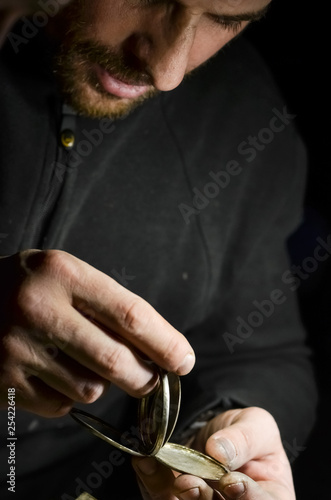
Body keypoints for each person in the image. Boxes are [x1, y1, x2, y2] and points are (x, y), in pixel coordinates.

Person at [0, 1, 317, 499]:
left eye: (228, 19)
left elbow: (266, 353)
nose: (167, 70)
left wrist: (221, 427)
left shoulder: (244, 117)